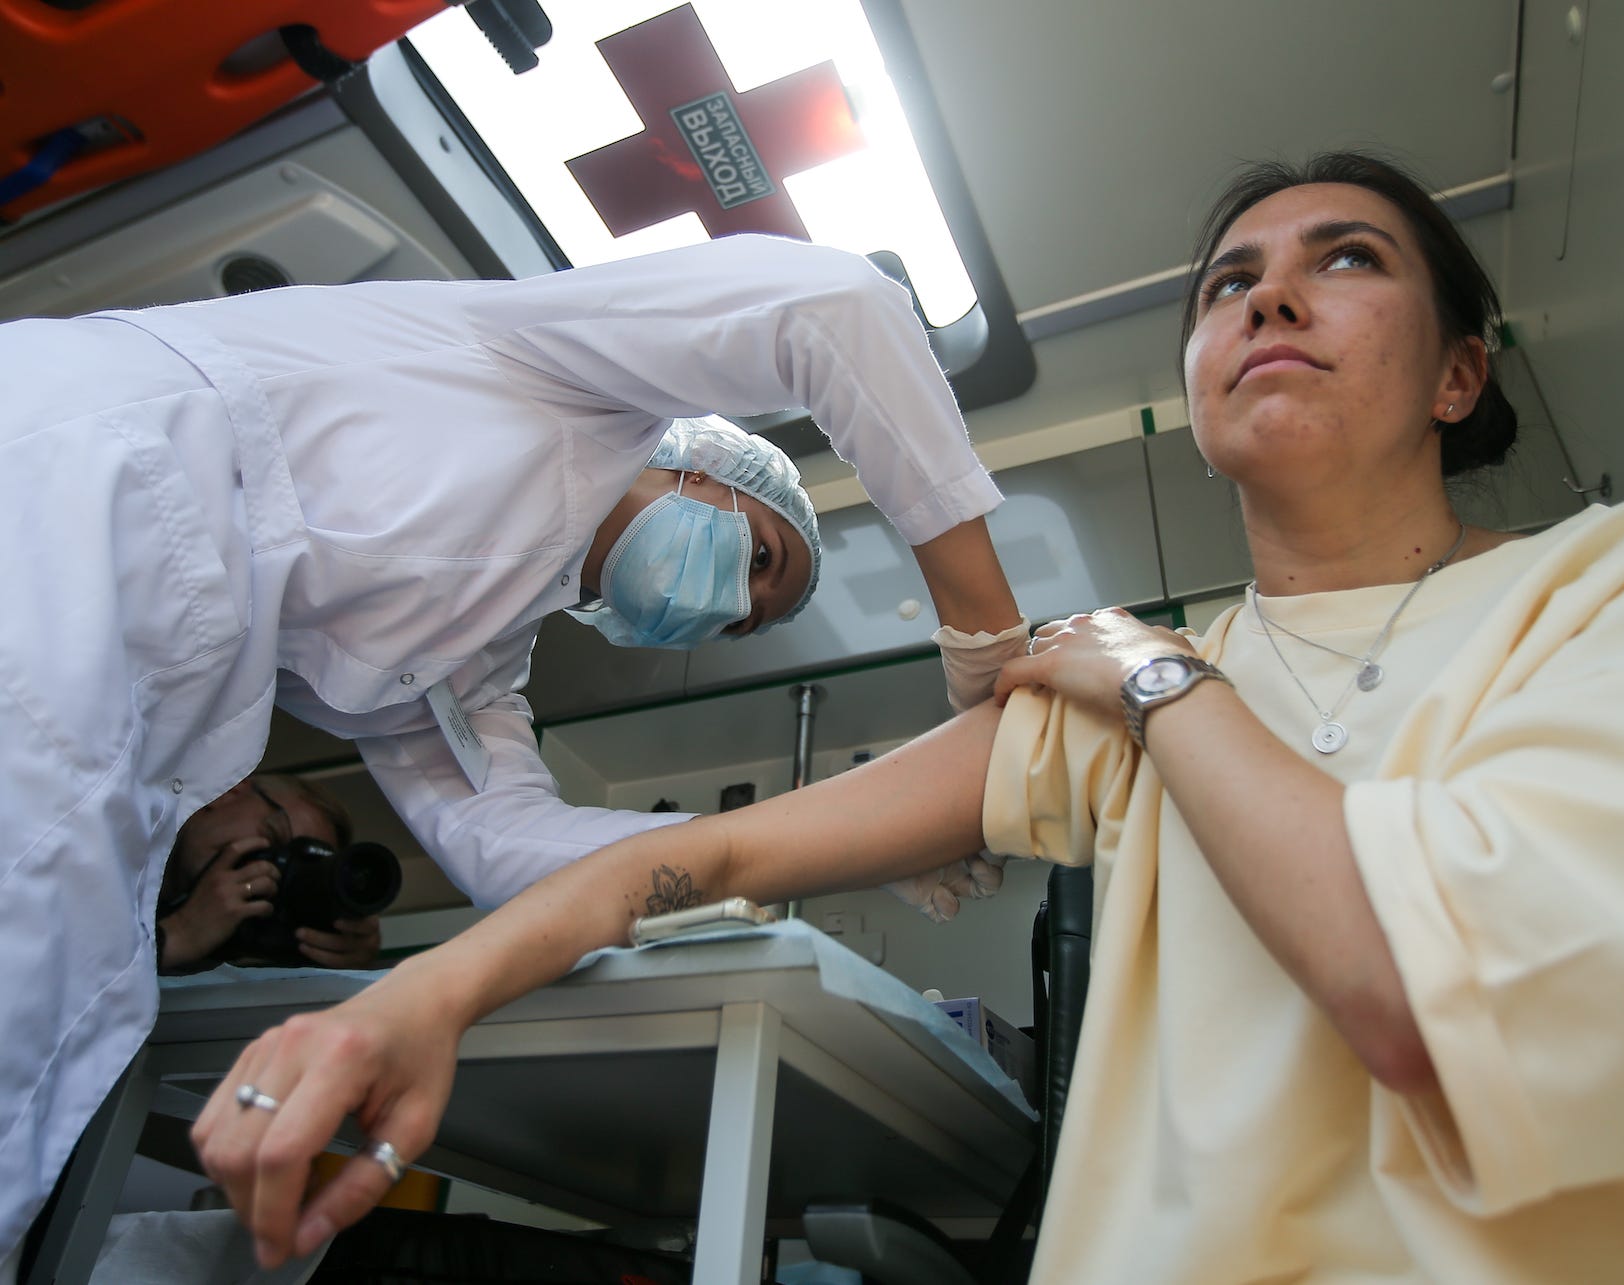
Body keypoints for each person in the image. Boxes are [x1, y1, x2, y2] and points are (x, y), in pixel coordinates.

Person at [192, 151, 1624, 1277]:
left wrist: (1145, 671)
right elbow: (704, 865)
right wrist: (414, 999)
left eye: (1347, 260)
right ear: (1194, 388)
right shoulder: (1090, 702)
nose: (1268, 294)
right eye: (1226, 281)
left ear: (1458, 374)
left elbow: (1415, 995)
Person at [0, 233, 1028, 1269]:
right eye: (758, 556)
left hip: (119, 683)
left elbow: (503, 846)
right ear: (699, 462)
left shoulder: (471, 666)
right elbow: (834, 301)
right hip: (71, 491)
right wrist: (986, 639)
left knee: (66, 998)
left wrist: (864, 839)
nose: (731, 600)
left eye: (745, 621)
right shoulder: (560, 378)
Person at [157, 774, 382, 973]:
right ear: (228, 792)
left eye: (289, 871)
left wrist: (348, 960)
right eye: (273, 837)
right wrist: (179, 935)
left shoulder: (248, 930)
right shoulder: (125, 838)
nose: (266, 870)